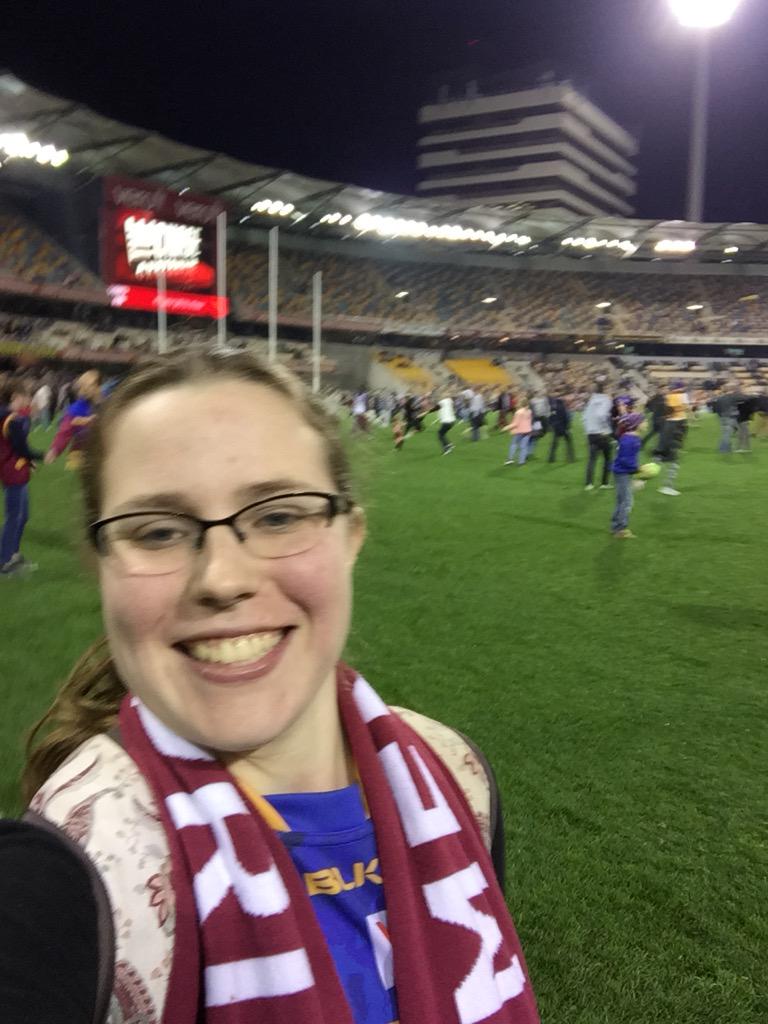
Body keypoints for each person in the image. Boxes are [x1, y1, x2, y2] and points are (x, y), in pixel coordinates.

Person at [2, 352, 540, 1024]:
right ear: (101, 564)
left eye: (279, 516)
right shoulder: (66, 878)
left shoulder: (456, 775)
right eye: (159, 532)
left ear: (351, 537)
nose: (222, 578)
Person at [0, 382, 44, 576]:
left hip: (15, 470)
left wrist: (29, 461)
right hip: (13, 472)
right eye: (24, 396)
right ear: (14, 397)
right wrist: (44, 455)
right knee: (14, 516)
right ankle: (4, 561)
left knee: (21, 515)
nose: (26, 400)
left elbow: (15, 447)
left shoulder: (8, 416)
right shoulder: (11, 419)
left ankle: (13, 555)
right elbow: (22, 448)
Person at [44, 369, 101, 470]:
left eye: (95, 385)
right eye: (89, 386)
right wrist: (55, 449)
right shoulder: (76, 409)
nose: (94, 389)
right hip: (80, 450)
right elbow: (65, 431)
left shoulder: (104, 404)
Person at [610, 412, 644, 539]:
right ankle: (621, 529)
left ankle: (615, 526)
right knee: (626, 501)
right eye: (643, 421)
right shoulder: (631, 440)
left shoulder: (629, 437)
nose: (646, 423)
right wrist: (638, 471)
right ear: (637, 425)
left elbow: (628, 458)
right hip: (623, 473)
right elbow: (625, 460)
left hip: (621, 472)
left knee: (621, 500)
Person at [655, 380, 689, 496]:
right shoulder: (681, 397)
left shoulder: (668, 397)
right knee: (674, 461)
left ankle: (642, 478)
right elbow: (685, 408)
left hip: (668, 428)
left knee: (662, 460)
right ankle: (667, 486)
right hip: (673, 430)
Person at [582, 382, 613, 490]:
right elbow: (601, 415)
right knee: (607, 458)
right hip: (602, 433)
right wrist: (607, 429)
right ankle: (604, 483)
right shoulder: (606, 400)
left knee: (592, 459)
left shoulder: (591, 400)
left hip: (591, 433)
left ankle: (589, 483)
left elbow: (584, 417)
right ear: (604, 389)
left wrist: (587, 431)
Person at [712, 383, 743, 454]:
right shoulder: (731, 397)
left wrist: (720, 415)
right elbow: (744, 398)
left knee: (726, 432)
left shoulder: (719, 398)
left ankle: (726, 448)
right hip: (730, 417)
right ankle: (723, 450)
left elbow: (715, 409)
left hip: (723, 417)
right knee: (727, 433)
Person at [503, 396, 533, 466]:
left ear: (520, 403)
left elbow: (515, 424)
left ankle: (510, 459)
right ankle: (521, 461)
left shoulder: (518, 412)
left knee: (513, 444)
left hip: (519, 431)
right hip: (528, 431)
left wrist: (506, 427)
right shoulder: (529, 411)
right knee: (524, 446)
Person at [547, 390, 575, 463]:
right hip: (563, 428)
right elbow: (565, 418)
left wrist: (552, 425)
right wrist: (568, 427)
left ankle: (551, 458)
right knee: (569, 442)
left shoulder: (553, 407)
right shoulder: (563, 407)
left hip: (556, 428)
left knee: (554, 444)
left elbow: (550, 417)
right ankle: (570, 458)